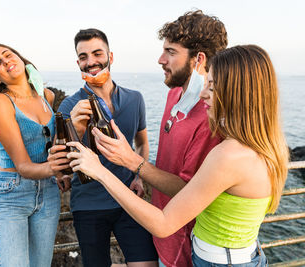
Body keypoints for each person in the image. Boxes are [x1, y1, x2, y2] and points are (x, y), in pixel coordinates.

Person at [68, 44, 289, 266]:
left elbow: (163, 224)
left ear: (236, 93)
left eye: (211, 87)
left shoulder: (229, 155)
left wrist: (100, 172)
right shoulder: (268, 143)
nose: (203, 95)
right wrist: (130, 159)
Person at [74, 10, 228, 267]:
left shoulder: (210, 117)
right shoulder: (174, 94)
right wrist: (140, 175)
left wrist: (132, 161)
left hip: (185, 246)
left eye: (170, 52)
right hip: (156, 230)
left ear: (198, 59)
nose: (160, 59)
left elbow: (192, 191)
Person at [50, 28, 158, 267]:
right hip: (88, 206)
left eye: (97, 53)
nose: (91, 62)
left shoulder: (135, 98)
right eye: (83, 57)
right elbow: (61, 165)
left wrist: (139, 176)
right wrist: (75, 129)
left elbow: (141, 143)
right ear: (77, 62)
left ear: (111, 56)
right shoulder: (68, 105)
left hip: (129, 202)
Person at [0, 43, 68, 267]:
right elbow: (23, 166)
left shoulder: (46, 95)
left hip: (47, 192)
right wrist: (55, 168)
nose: (5, 61)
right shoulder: (0, 102)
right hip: (12, 193)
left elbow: (49, 145)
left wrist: (58, 174)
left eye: (8, 55)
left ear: (20, 59)